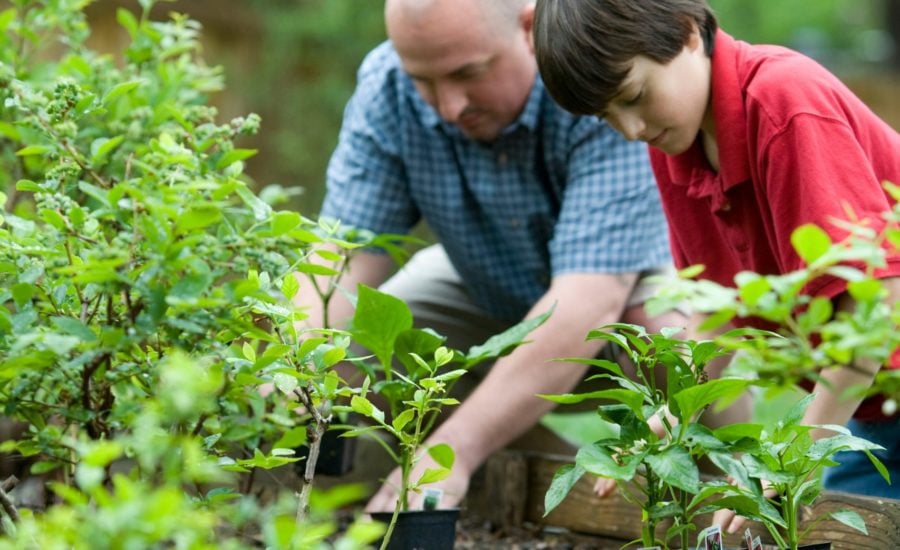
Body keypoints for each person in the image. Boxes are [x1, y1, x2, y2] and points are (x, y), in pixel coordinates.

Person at [294, 0, 684, 513]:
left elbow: (587, 302)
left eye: (468, 74)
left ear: (528, 26)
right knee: (354, 353)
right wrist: (290, 365)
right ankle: (518, 472)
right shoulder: (387, 86)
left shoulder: (589, 76)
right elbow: (341, 259)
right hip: (482, 281)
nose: (449, 105)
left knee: (673, 348)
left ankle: (709, 502)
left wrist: (452, 453)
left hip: (623, 282)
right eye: (424, 81)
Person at [532, 0, 900, 527]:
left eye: (634, 96)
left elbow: (878, 304)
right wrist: (662, 421)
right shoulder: (674, 145)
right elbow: (719, 308)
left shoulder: (782, 101)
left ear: (685, 32)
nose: (630, 129)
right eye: (606, 116)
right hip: (873, 408)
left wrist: (786, 459)